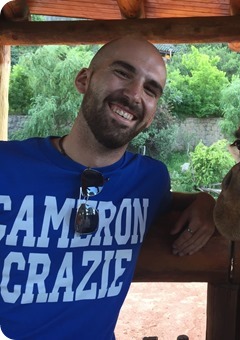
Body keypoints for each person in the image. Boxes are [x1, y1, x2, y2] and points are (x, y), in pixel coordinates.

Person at [0, 36, 216, 339]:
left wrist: (207, 203)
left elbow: (183, 202)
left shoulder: (151, 181)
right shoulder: (6, 164)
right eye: (123, 73)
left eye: (151, 89)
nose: (134, 94)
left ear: (153, 111)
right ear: (84, 79)